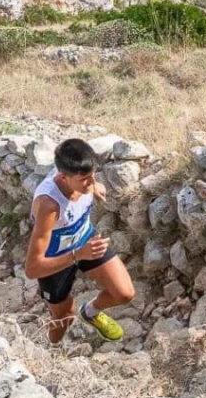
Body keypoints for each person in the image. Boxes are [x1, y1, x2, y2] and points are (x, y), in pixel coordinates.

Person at [24, 138, 136, 346]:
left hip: (85, 240)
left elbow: (88, 183)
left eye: (93, 175)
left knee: (124, 293)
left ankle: (91, 312)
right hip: (55, 259)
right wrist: (77, 255)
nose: (92, 182)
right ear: (63, 177)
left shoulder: (83, 181)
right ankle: (53, 351)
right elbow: (32, 269)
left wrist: (94, 187)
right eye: (85, 179)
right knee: (65, 316)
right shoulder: (49, 206)